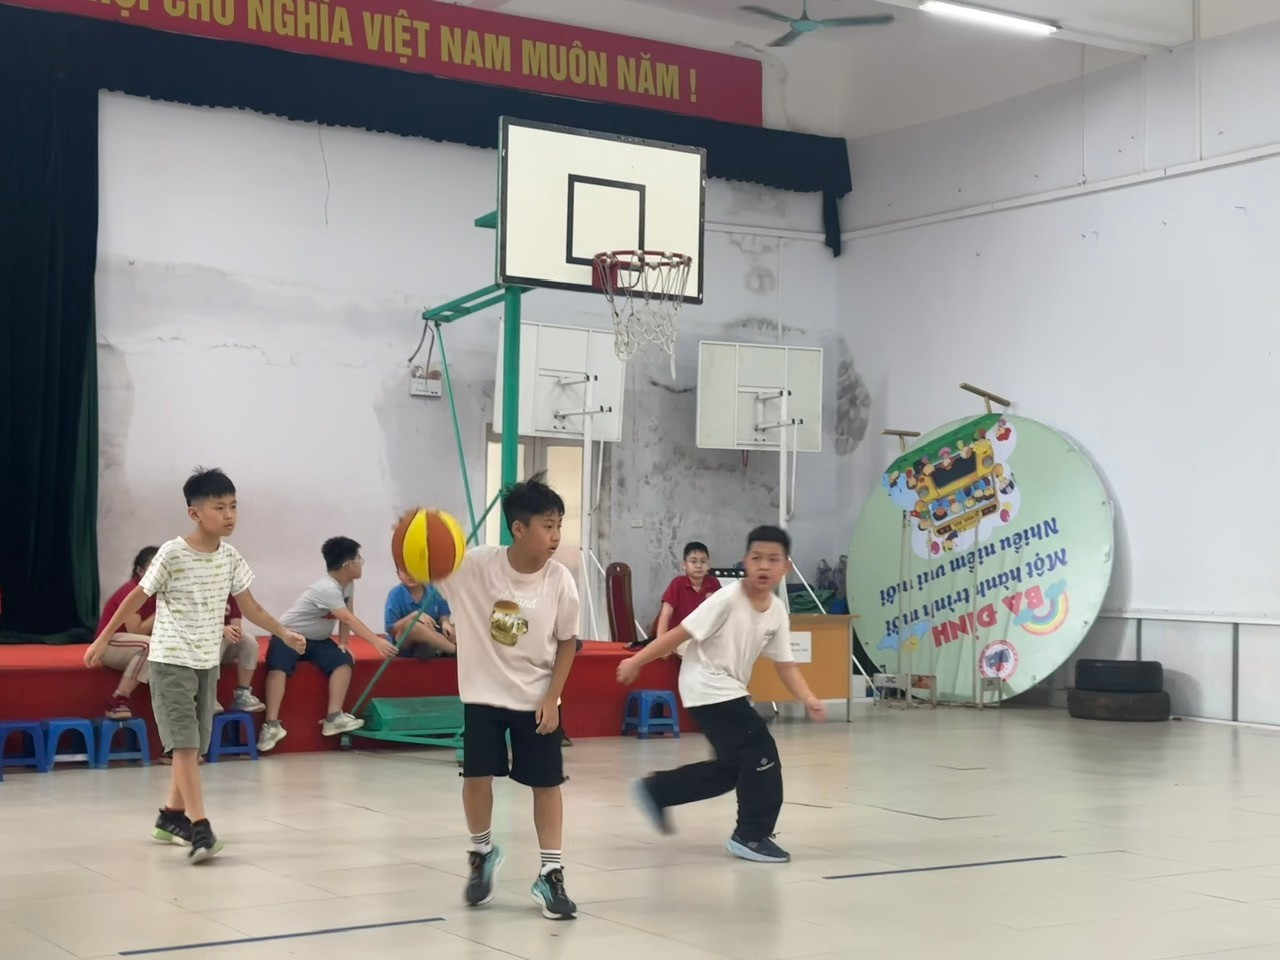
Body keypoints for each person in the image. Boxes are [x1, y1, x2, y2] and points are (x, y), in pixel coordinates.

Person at [84, 467, 305, 863]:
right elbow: (135, 597)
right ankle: (200, 827)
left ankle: (171, 816)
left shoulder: (231, 557)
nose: (229, 515)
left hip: (207, 663)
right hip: (170, 661)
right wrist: (102, 639)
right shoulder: (173, 553)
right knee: (185, 744)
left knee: (194, 748)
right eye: (219, 507)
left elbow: (250, 606)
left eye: (234, 506)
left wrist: (284, 633)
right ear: (195, 513)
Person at [617, 525, 826, 864]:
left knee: (732, 769)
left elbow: (786, 665)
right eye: (756, 558)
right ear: (745, 562)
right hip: (707, 685)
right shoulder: (726, 599)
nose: (763, 566)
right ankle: (751, 836)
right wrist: (637, 660)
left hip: (725, 689)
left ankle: (658, 790)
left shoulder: (776, 611)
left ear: (785, 567)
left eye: (773, 560)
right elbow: (679, 633)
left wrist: (808, 698)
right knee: (760, 750)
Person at [435, 473, 580, 920]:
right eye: (547, 526)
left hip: (535, 697)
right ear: (519, 529)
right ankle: (482, 854)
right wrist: (416, 534)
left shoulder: (560, 580)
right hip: (482, 696)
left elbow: (569, 642)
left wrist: (553, 699)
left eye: (559, 526)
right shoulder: (476, 565)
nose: (555, 536)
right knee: (477, 779)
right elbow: (429, 563)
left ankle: (551, 873)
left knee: (546, 784)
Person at [257, 536, 396, 752]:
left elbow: (347, 615)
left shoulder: (347, 585)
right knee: (279, 668)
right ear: (348, 565)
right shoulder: (327, 588)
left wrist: (343, 643)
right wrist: (375, 641)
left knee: (342, 661)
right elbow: (349, 618)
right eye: (359, 559)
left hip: (319, 641)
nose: (361, 563)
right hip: (290, 635)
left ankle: (334, 717)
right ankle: (271, 725)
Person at [95, 547, 159, 720]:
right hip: (110, 643)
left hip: (134, 646)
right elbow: (135, 630)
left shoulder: (158, 594)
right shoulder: (132, 592)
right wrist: (162, 610)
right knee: (150, 646)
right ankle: (117, 700)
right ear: (140, 571)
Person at [653, 540, 722, 647]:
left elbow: (722, 612)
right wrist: (661, 644)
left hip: (705, 636)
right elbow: (665, 615)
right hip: (679, 637)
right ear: (684, 565)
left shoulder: (714, 583)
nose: (698, 565)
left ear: (708, 565)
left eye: (703, 562)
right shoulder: (677, 584)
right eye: (693, 562)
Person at [384, 567, 456, 658]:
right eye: (405, 571)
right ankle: (454, 650)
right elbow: (390, 628)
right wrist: (413, 616)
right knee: (412, 626)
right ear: (398, 574)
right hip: (404, 643)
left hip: (435, 634)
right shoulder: (395, 594)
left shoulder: (433, 590)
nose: (411, 575)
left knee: (458, 627)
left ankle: (431, 647)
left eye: (415, 569)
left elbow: (443, 614)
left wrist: (446, 623)